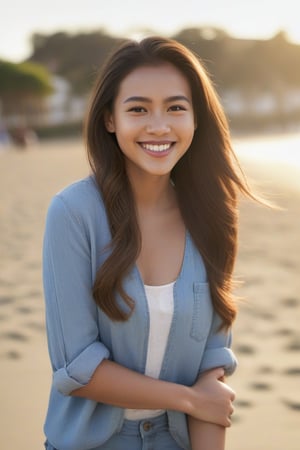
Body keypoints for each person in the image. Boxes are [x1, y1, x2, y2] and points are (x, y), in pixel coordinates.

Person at [42, 35, 252, 450]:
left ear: (196, 120)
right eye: (138, 109)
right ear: (110, 119)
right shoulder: (72, 213)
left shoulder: (214, 214)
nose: (159, 126)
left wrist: (202, 405)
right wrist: (189, 399)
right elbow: (78, 369)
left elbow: (214, 363)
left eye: (176, 107)